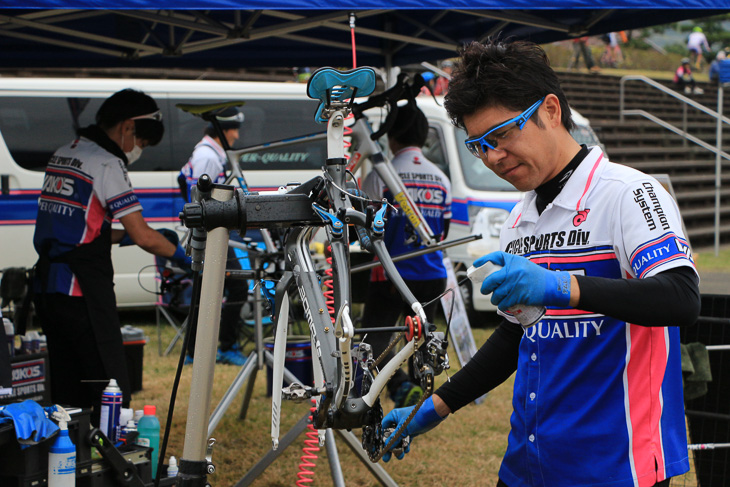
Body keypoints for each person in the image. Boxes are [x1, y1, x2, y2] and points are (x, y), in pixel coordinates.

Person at [381, 40, 701, 487]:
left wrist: (562, 287)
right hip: (529, 462)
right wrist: (435, 408)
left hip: (616, 465)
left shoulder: (630, 193)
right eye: (478, 145)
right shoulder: (519, 219)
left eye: (502, 134)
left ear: (550, 110)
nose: (493, 156)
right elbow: (517, 333)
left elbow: (681, 298)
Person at [32, 89, 192, 426]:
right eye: (143, 142)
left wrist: (132, 240)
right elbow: (143, 235)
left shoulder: (65, 153)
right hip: (82, 293)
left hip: (48, 291)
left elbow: (81, 229)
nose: (138, 150)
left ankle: (68, 455)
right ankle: (110, 461)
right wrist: (187, 259)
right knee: (108, 384)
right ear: (128, 127)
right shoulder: (107, 163)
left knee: (66, 381)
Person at [360, 100, 451, 408]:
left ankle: (381, 393)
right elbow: (443, 233)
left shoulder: (379, 176)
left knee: (375, 342)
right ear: (424, 137)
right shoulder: (441, 179)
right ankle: (418, 404)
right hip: (431, 275)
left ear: (391, 137)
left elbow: (367, 231)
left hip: (390, 273)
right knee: (422, 342)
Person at [178, 106, 248, 366]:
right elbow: (200, 200)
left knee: (205, 289)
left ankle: (196, 350)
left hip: (212, 230)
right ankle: (223, 347)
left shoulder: (208, 153)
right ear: (223, 131)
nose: (236, 137)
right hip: (210, 232)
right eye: (234, 131)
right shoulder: (207, 157)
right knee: (236, 286)